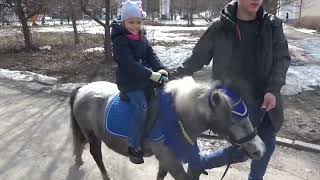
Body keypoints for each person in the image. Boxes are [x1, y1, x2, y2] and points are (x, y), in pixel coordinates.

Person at [173, 0, 291, 179]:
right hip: (235, 101)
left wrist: (273, 89)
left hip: (266, 100)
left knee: (268, 142)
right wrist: (175, 75)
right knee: (244, 150)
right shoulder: (220, 28)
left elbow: (282, 59)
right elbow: (198, 57)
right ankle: (200, 163)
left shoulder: (272, 26)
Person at [111, 1, 168, 164]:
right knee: (141, 106)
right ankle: (133, 145)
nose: (135, 25)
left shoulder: (141, 36)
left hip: (144, 78)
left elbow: (151, 54)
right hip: (128, 81)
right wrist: (151, 75)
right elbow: (129, 65)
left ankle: (161, 132)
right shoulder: (119, 40)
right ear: (123, 22)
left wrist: (161, 68)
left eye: (138, 22)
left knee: (163, 96)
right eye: (131, 22)